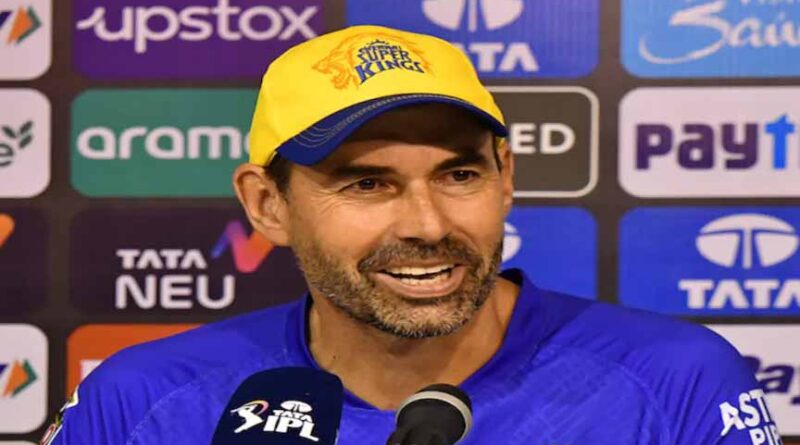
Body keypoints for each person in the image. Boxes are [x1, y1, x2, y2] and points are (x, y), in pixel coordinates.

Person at [43, 25, 781, 444]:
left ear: (506, 176)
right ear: (267, 205)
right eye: (367, 183)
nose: (428, 225)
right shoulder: (144, 402)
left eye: (459, 174)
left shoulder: (677, 381)